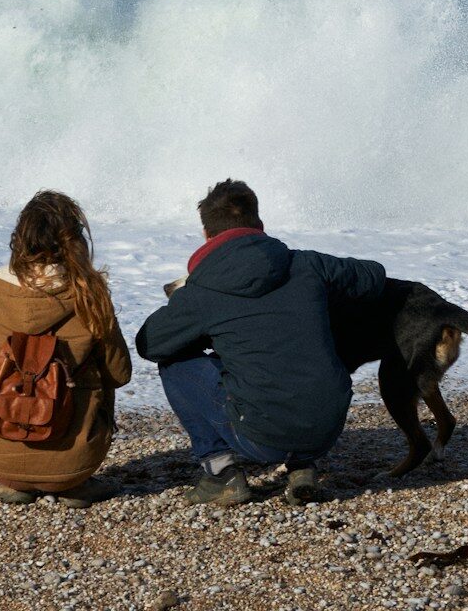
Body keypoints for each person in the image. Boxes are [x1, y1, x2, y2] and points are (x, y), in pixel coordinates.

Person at [136, 179, 386, 506]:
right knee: (282, 343)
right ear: (260, 225)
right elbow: (374, 276)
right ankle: (302, 467)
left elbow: (149, 344)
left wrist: (187, 305)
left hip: (259, 439)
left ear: (207, 235)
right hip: (326, 430)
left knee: (174, 363)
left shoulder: (202, 292)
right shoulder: (308, 264)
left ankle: (221, 474)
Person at [0, 191, 132, 507]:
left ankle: (19, 478)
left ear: (22, 237)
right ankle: (71, 482)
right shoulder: (89, 293)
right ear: (75, 239)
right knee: (100, 374)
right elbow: (120, 373)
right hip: (75, 464)